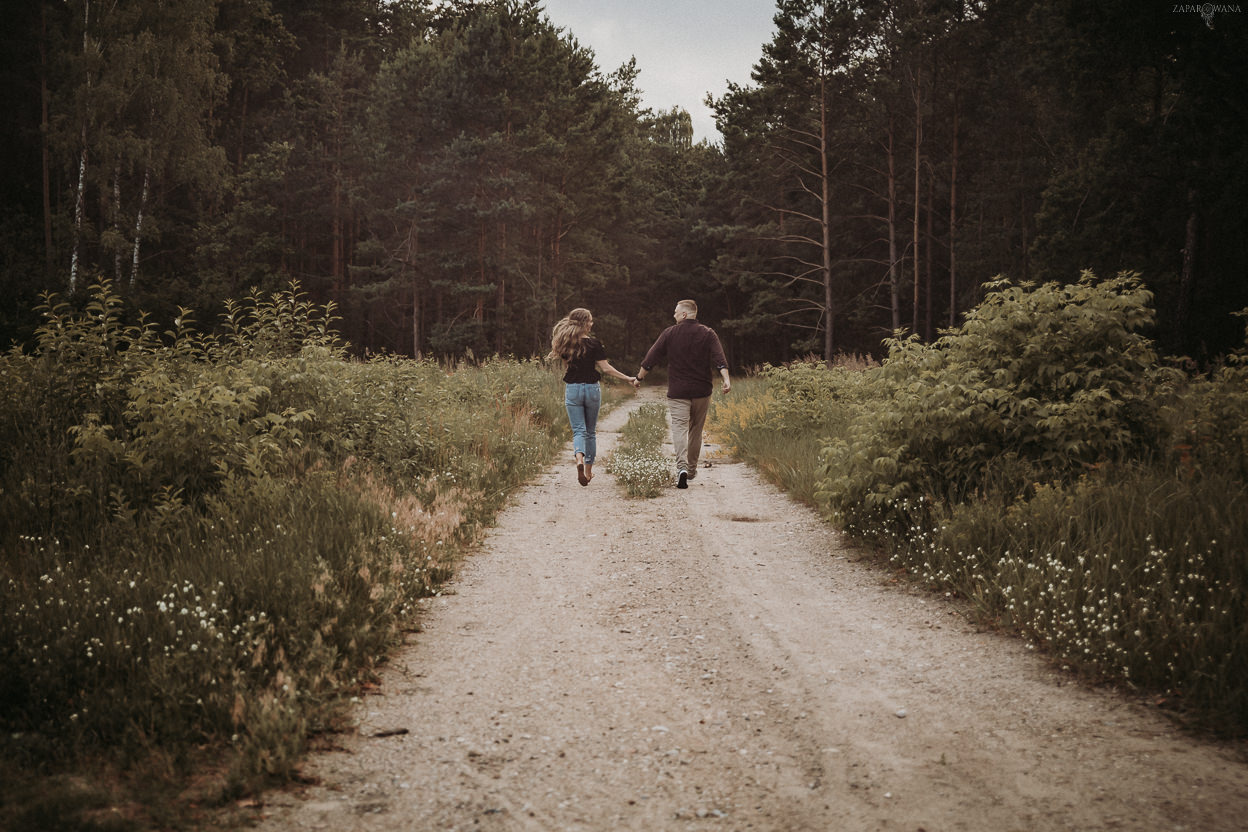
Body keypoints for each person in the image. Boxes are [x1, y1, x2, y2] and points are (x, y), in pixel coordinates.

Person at [636, 299, 731, 489]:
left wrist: (639, 378)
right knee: (696, 430)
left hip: (678, 391)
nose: (674, 315)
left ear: (685, 314)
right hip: (702, 391)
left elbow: (651, 357)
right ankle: (692, 469)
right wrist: (726, 379)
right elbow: (720, 359)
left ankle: (681, 468)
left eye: (676, 312)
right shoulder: (708, 333)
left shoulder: (670, 333)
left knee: (679, 428)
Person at [549, 308, 639, 486]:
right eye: (590, 321)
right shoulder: (594, 344)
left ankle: (579, 460)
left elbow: (567, 366)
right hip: (591, 389)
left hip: (573, 389)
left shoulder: (565, 343)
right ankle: (588, 473)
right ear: (583, 323)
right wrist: (628, 378)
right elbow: (606, 369)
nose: (592, 324)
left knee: (578, 431)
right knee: (590, 432)